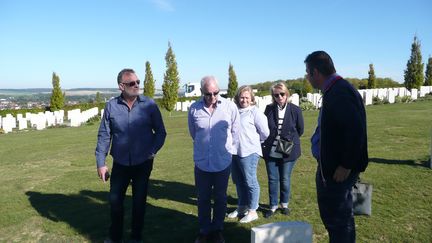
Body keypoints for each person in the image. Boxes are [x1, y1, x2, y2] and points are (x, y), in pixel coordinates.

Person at [95, 68, 167, 243]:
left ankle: (136, 237)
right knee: (115, 202)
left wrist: (152, 151)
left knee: (139, 203)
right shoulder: (111, 106)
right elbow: (104, 135)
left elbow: (161, 132)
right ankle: (115, 237)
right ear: (121, 86)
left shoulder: (149, 105)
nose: (136, 86)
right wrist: (101, 163)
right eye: (132, 83)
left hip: (143, 163)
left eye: (138, 82)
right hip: (120, 163)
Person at [305, 51, 368, 243]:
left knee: (339, 222)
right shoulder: (337, 89)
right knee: (339, 221)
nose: (307, 77)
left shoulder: (340, 92)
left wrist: (345, 165)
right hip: (333, 169)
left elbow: (355, 129)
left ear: (316, 72)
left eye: (308, 72)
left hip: (338, 173)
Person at [188, 76, 240, 243]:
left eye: (216, 93)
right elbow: (193, 133)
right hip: (202, 163)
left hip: (222, 162)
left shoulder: (230, 107)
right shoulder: (194, 109)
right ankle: (204, 230)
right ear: (202, 92)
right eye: (208, 94)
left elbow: (235, 133)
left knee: (220, 198)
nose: (212, 97)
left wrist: (228, 152)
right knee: (202, 198)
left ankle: (217, 229)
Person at [227, 85, 269, 223]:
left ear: (251, 99)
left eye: (247, 97)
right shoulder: (235, 111)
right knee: (239, 181)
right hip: (235, 151)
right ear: (237, 98)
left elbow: (265, 132)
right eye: (241, 97)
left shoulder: (255, 112)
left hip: (249, 152)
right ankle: (242, 206)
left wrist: (254, 141)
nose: (244, 100)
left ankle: (252, 210)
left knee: (250, 181)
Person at [261, 82, 304, 218]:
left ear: (286, 94)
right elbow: (264, 127)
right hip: (271, 149)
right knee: (273, 179)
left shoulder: (295, 110)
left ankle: (284, 204)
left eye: (282, 94)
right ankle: (273, 206)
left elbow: (300, 129)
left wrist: (288, 139)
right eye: (276, 95)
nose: (279, 97)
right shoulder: (269, 109)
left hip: (288, 148)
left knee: (285, 178)